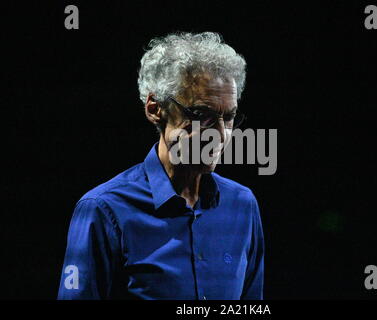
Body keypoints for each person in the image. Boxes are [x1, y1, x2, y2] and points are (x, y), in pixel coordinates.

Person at [57, 31, 264, 300]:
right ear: (155, 109)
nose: (222, 135)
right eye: (201, 115)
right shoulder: (103, 209)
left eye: (229, 117)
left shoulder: (243, 204)